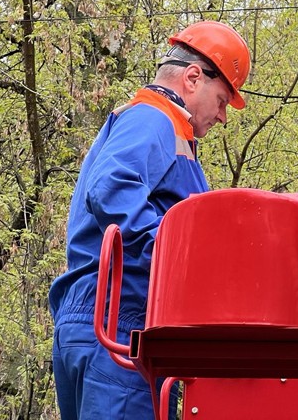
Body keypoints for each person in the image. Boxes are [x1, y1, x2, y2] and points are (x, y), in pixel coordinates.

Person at [48, 21, 251, 420]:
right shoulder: (155, 119)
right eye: (223, 99)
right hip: (120, 326)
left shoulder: (156, 127)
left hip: (99, 322)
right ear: (193, 78)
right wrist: (174, 260)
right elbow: (111, 186)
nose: (223, 116)